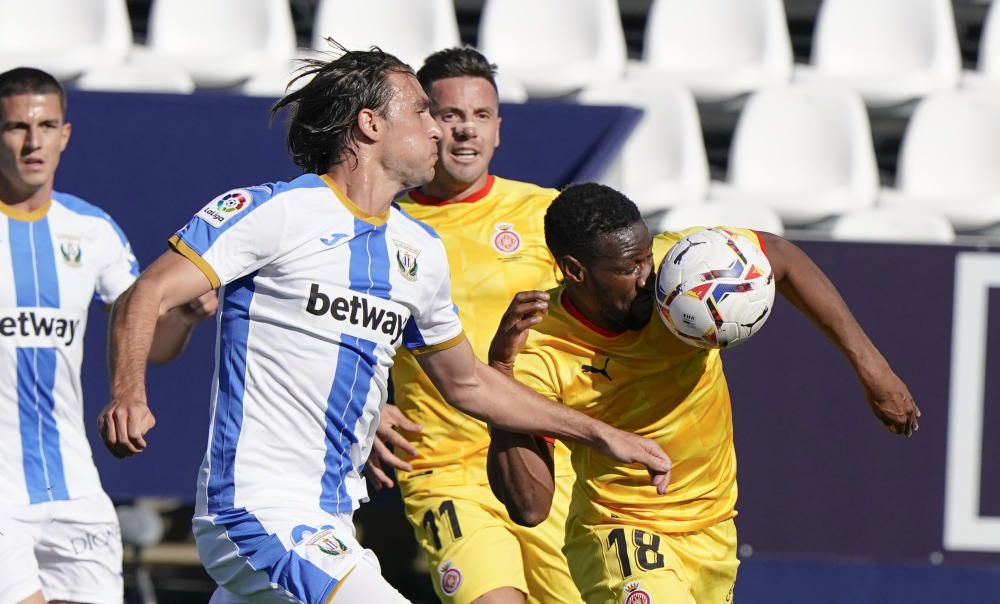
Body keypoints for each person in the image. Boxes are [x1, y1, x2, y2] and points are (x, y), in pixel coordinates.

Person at [96, 47, 670, 604]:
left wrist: (600, 433)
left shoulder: (417, 249)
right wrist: (128, 393)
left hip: (333, 519)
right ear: (370, 124)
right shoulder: (275, 211)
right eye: (422, 111)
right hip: (256, 510)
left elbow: (467, 382)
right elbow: (144, 294)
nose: (439, 130)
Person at [486, 183, 921, 604]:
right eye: (628, 269)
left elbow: (781, 255)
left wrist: (873, 369)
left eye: (646, 258)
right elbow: (531, 506)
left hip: (713, 529)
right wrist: (501, 381)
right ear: (575, 271)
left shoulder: (682, 270)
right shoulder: (539, 347)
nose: (647, 278)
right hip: (621, 531)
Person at [366, 47, 581, 604]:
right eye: (449, 115)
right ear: (423, 124)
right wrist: (365, 410)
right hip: (443, 468)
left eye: (480, 116)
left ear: (499, 129)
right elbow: (343, 329)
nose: (466, 131)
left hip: (545, 462)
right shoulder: (383, 223)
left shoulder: (544, 213)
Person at [0, 67, 216, 604]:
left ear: (65, 135)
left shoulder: (91, 230)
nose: (33, 141)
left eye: (47, 125)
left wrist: (184, 318)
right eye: (16, 127)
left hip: (75, 486)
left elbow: (151, 343)